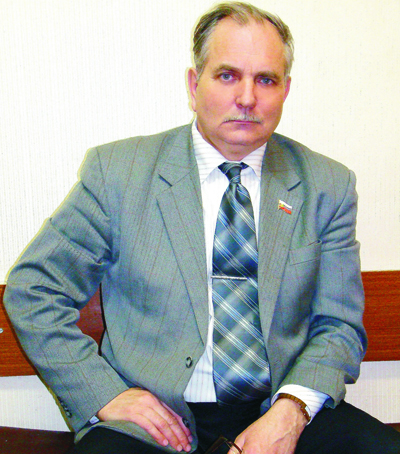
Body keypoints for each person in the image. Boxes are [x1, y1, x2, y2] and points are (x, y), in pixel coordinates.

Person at [4, 2, 400, 454]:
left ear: (286, 90)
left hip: (280, 404)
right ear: (194, 85)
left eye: (265, 80)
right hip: (154, 420)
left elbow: (339, 325)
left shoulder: (326, 185)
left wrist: (292, 411)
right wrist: (105, 394)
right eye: (227, 75)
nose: (247, 98)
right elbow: (34, 290)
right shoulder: (118, 173)